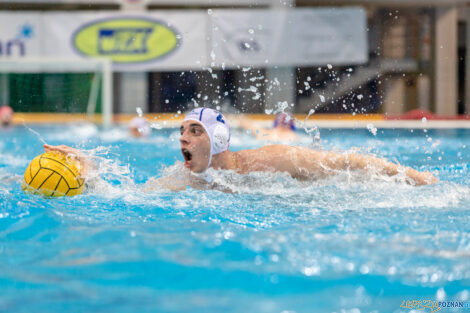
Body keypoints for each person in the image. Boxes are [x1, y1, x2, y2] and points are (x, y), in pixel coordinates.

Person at [43, 107, 438, 192]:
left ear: (216, 140)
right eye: (181, 130)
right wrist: (86, 169)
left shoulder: (270, 159)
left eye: (194, 130)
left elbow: (348, 163)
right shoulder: (183, 179)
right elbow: (126, 197)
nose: (182, 138)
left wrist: (417, 178)